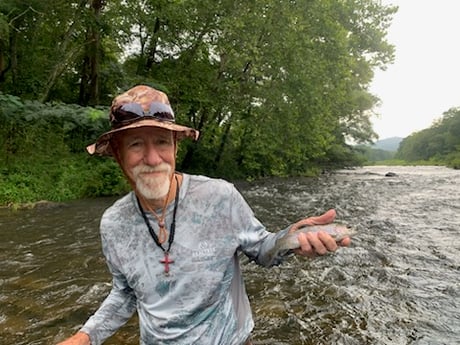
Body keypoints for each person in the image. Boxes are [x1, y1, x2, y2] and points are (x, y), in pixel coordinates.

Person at [57, 85, 351, 345]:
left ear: (175, 147)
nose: (152, 158)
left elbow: (262, 251)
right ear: (119, 155)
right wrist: (85, 337)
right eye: (136, 144)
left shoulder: (219, 197)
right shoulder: (113, 223)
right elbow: (125, 294)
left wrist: (292, 239)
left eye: (161, 141)